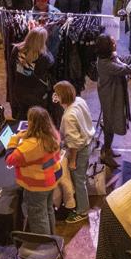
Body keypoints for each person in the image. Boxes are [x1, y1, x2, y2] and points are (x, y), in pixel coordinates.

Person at [6, 106, 63, 237]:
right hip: (51, 180)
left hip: (38, 186)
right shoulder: (53, 135)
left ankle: (44, 244)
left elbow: (10, 160)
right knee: (48, 209)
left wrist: (14, 140)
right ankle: (52, 237)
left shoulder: (32, 146)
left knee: (38, 217)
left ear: (32, 123)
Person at [54, 81, 95, 223]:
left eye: (57, 94)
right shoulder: (79, 100)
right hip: (88, 142)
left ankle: (82, 210)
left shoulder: (68, 117)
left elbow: (74, 143)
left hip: (80, 150)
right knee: (81, 176)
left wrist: (72, 161)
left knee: (78, 180)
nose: (55, 97)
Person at [94, 34, 130, 165]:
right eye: (113, 42)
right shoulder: (106, 64)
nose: (115, 43)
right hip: (108, 96)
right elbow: (126, 69)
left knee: (110, 122)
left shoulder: (108, 57)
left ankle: (107, 149)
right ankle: (105, 153)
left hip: (110, 93)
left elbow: (123, 62)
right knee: (109, 124)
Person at [8, 26, 54, 122]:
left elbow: (12, 68)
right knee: (37, 118)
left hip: (19, 90)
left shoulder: (16, 49)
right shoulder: (43, 57)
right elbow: (51, 63)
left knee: (23, 115)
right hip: (37, 93)